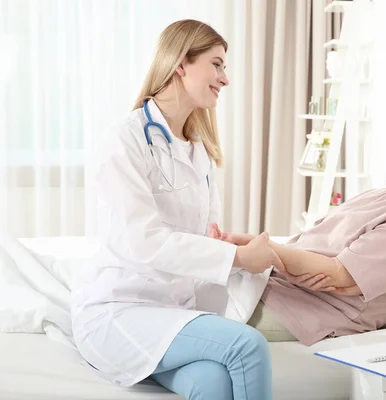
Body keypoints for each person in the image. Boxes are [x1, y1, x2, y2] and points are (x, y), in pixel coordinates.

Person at [71, 19, 282, 400]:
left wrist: (224, 247)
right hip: (120, 311)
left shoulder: (197, 149)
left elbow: (198, 241)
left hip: (171, 314)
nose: (225, 78)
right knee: (246, 346)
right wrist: (236, 257)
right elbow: (143, 242)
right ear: (181, 63)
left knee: (212, 383)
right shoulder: (126, 139)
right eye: (216, 64)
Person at [211, 103, 386, 345]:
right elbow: (316, 242)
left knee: (189, 317)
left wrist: (266, 250)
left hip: (301, 311)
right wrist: (250, 245)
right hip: (278, 286)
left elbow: (337, 276)